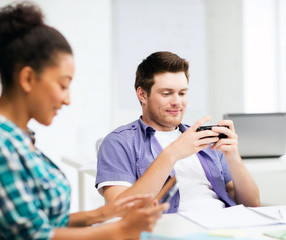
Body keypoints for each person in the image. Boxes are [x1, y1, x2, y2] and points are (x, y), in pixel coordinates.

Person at [0, 2, 169, 240]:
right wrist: (120, 230)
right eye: (63, 85)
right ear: (28, 78)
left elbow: (39, 219)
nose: (67, 99)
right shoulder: (4, 145)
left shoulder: (21, 139)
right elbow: (35, 235)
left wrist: (100, 214)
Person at [96, 51, 261, 213]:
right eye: (167, 94)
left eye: (182, 93)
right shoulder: (119, 142)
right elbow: (118, 210)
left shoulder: (203, 139)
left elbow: (252, 205)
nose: (177, 102)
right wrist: (172, 154)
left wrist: (233, 158)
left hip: (224, 226)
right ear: (142, 95)